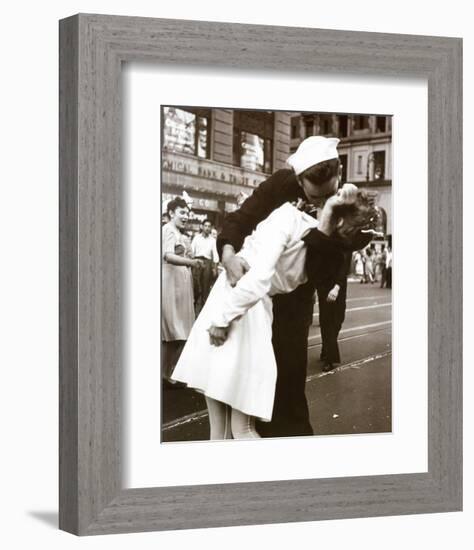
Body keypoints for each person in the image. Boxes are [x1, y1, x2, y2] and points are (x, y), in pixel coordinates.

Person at [171, 186, 377, 439]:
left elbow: (258, 278)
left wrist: (222, 318)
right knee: (235, 427)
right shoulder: (321, 246)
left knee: (231, 429)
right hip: (248, 308)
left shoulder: (292, 219)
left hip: (237, 304)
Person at [215, 136, 344, 437]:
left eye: (328, 195)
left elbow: (334, 257)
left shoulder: (342, 202)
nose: (321, 203)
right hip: (257, 300)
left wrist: (328, 221)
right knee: (246, 380)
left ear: (339, 175)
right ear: (299, 180)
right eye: (315, 197)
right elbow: (241, 218)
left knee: (287, 379)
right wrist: (228, 253)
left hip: (294, 300)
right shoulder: (279, 185)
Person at [162, 197, 203, 384]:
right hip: (170, 284)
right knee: (170, 331)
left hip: (180, 285)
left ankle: (168, 371)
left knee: (179, 333)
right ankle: (164, 372)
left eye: (187, 213)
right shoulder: (168, 230)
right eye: (182, 213)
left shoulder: (181, 234)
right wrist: (191, 262)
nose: (186, 216)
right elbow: (168, 255)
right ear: (171, 213)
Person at [191, 220, 219, 315]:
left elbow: (215, 255)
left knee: (205, 289)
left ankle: (202, 314)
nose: (207, 228)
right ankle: (192, 311)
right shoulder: (196, 238)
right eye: (205, 226)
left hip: (207, 263)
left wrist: (214, 268)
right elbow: (192, 251)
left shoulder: (212, 240)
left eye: (209, 226)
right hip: (197, 262)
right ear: (202, 227)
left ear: (211, 228)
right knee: (195, 288)